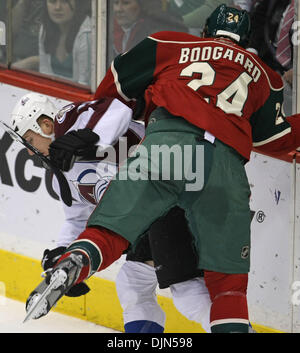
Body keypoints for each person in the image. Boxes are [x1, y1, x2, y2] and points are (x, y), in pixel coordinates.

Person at [26, 4, 300, 333]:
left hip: (167, 153)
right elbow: (273, 137)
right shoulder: (265, 76)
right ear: (245, 42)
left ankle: (81, 260)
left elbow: (117, 82)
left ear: (203, 34)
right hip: (224, 170)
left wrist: (97, 124)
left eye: (28, 136)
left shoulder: (169, 44)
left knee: (114, 239)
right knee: (225, 289)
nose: (29, 145)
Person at [12, 93, 212, 332]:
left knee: (188, 292)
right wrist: (62, 252)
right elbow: (78, 219)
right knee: (133, 284)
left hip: (175, 191)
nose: (31, 153)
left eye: (30, 141)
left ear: (45, 125)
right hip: (149, 214)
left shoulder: (71, 121)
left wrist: (88, 138)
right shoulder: (60, 177)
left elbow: (119, 108)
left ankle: (232, 326)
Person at [14, 0, 91, 86]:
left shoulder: (87, 34)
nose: (57, 7)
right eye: (52, 1)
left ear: (78, 4)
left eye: (65, 1)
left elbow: (84, 85)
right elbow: (45, 74)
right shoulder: (45, 29)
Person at [111, 0, 187, 59]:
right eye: (116, 2)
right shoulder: (105, 30)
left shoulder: (158, 31)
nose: (118, 9)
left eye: (126, 3)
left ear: (141, 6)